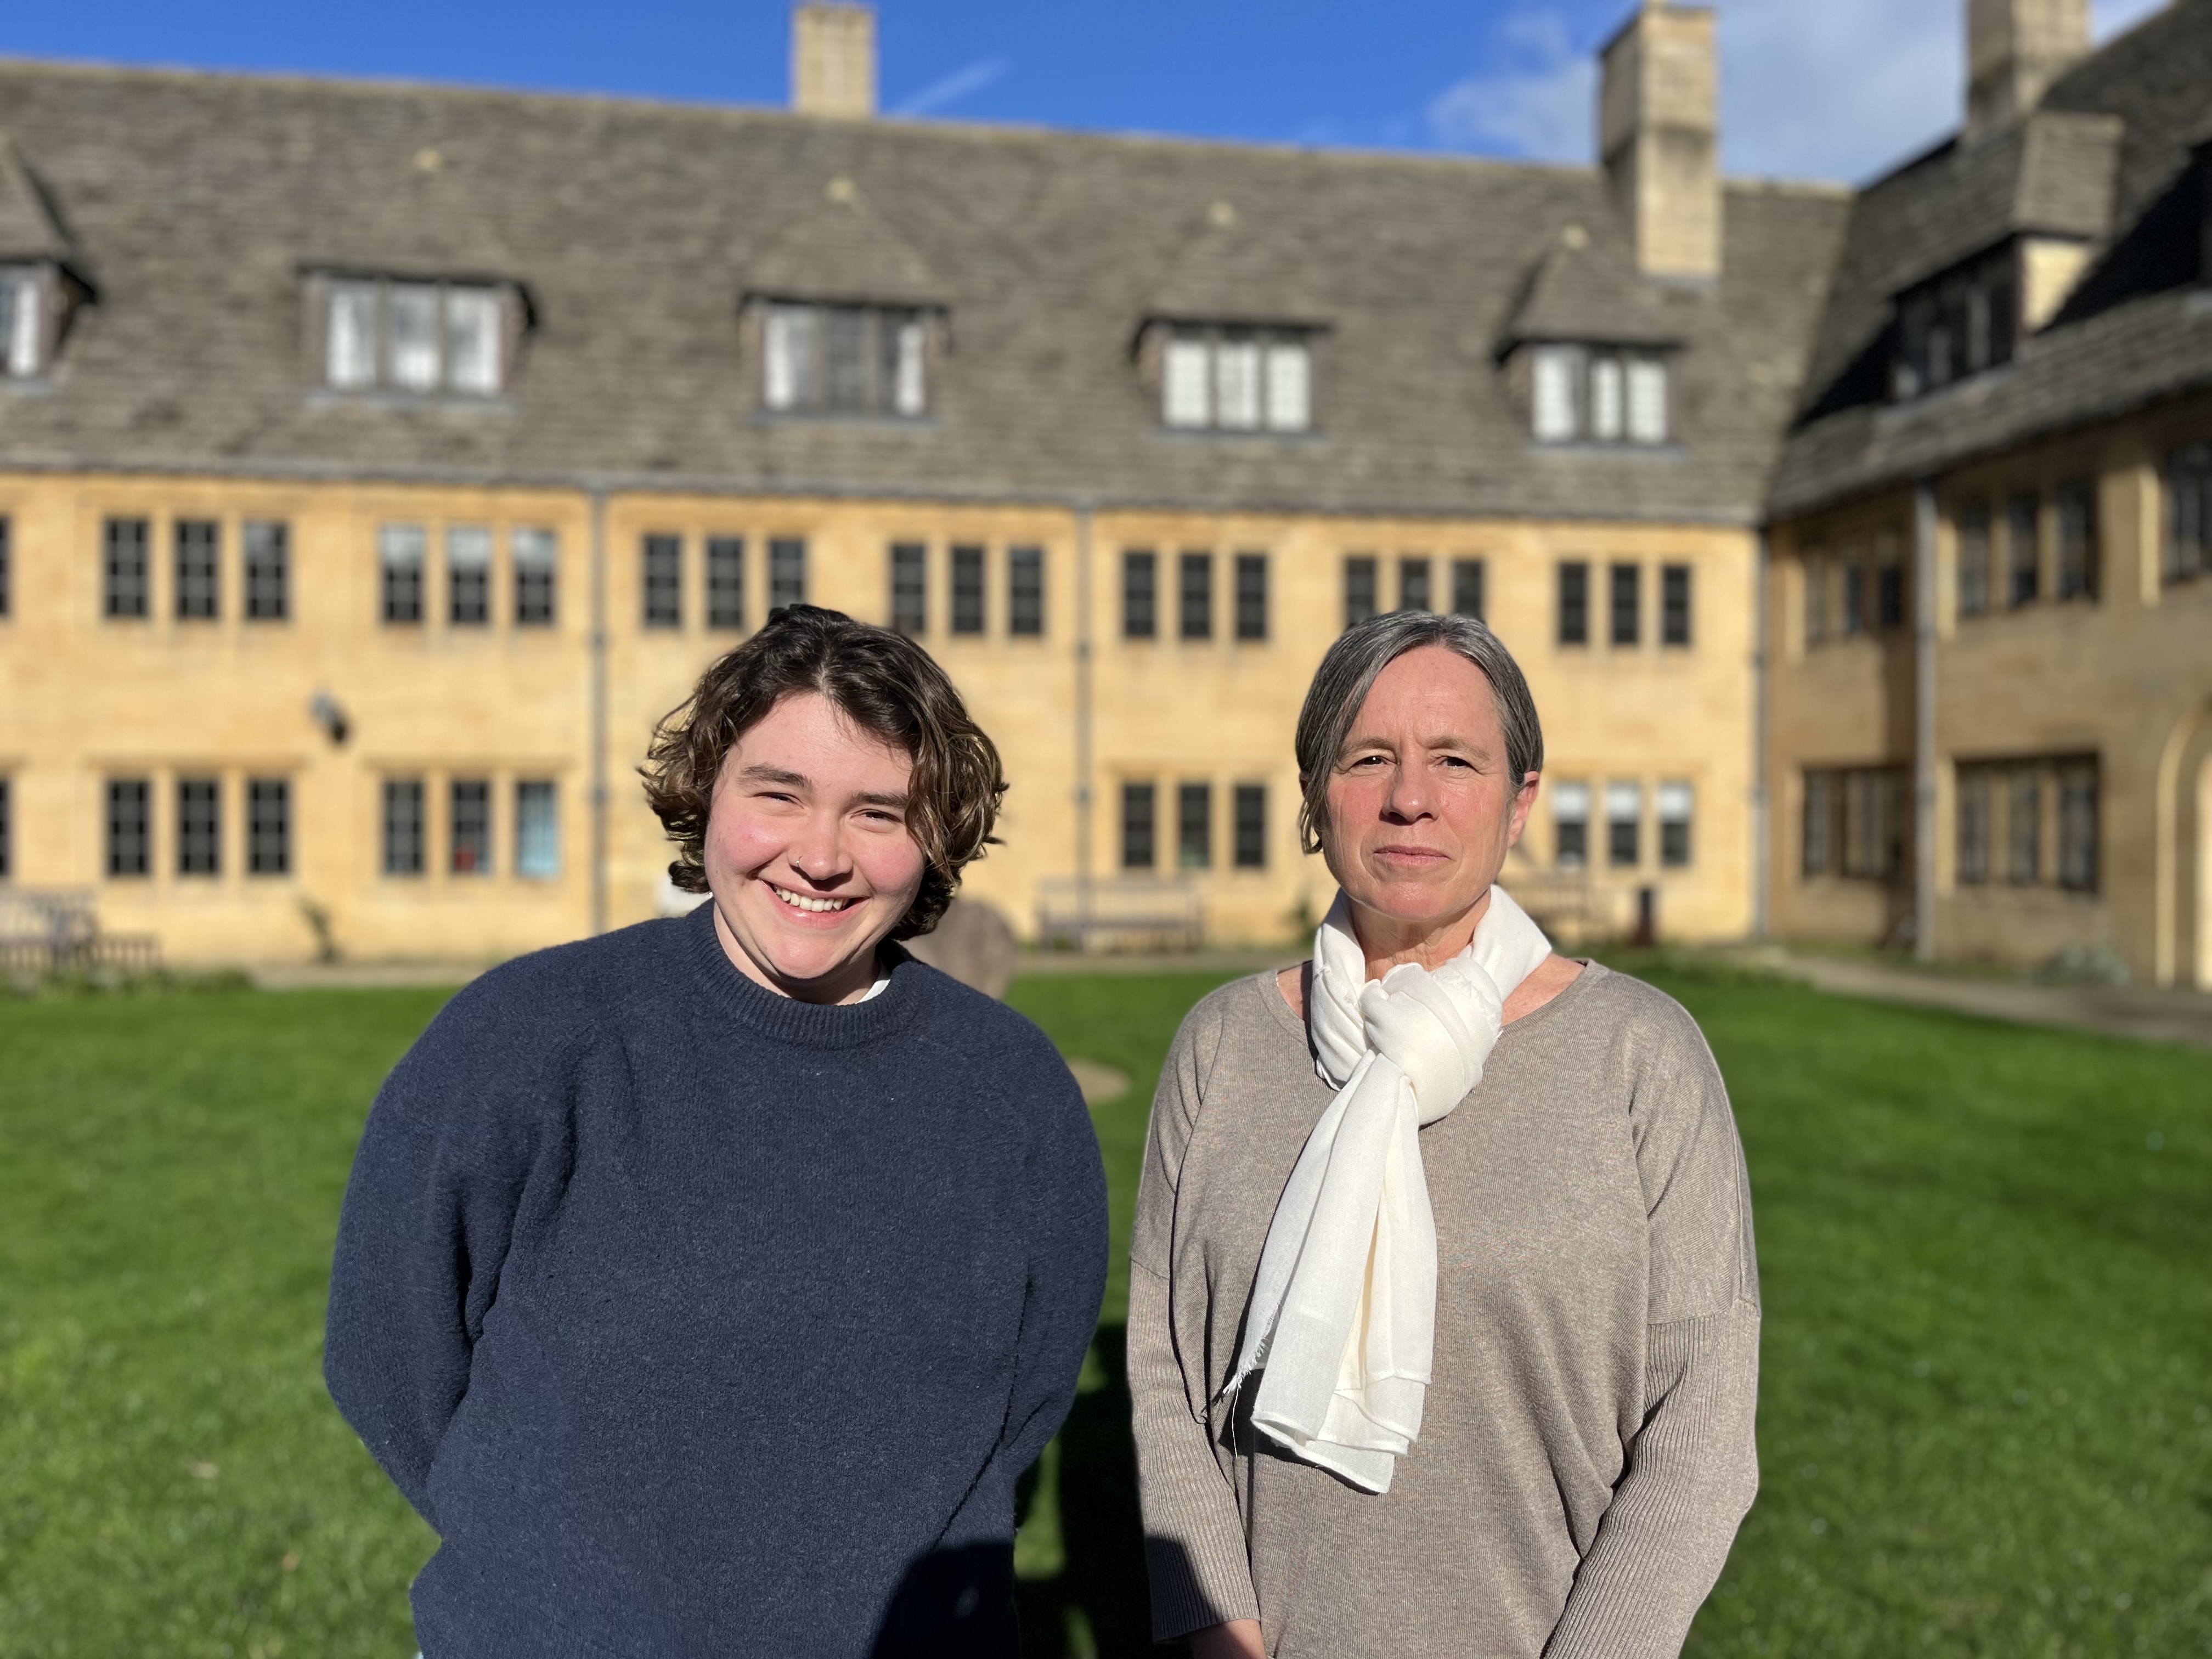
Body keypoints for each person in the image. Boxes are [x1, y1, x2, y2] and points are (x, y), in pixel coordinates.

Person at [326, 605, 1108, 1657]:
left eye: (879, 813)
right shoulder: (529, 1038)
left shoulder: (1013, 1091)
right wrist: (549, 1561)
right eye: (778, 795)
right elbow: (389, 1350)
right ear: (707, 795)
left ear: (936, 838)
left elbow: (1026, 1400)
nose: (820, 856)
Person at [1129, 611, 1759, 1659]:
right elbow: (1162, 1369)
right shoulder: (1224, 1047)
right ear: (1314, 798)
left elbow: (1702, 1435)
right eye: (1369, 757)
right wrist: (1216, 1637)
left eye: (1454, 761)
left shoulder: (1642, 1056)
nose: (1409, 797)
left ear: (1519, 803)